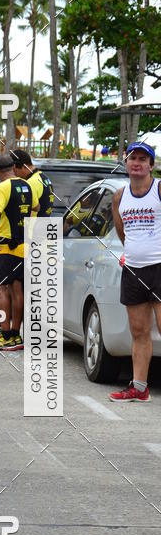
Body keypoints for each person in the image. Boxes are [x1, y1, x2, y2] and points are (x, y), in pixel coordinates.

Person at [110, 141, 161, 402]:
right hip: (133, 270)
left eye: (143, 159)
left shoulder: (159, 189)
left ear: (151, 165)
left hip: (159, 268)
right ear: (126, 162)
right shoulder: (120, 196)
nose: (137, 163)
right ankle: (139, 389)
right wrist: (131, 253)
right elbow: (122, 231)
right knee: (139, 331)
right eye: (132, 158)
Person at [0, 154, 34, 351]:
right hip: (23, 246)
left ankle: (5, 335)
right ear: (13, 167)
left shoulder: (1, 188)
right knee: (17, 289)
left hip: (3, 247)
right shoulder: (26, 185)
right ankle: (16, 335)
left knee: (0, 289)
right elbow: (35, 206)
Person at [10, 148, 54, 217]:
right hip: (45, 225)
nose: (15, 175)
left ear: (24, 167)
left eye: (15, 171)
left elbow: (29, 212)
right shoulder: (44, 177)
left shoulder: (31, 183)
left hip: (34, 226)